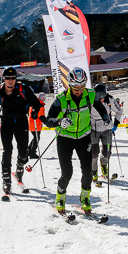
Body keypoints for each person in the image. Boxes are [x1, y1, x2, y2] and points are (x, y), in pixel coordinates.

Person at [41, 67, 110, 214]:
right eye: (75, 88)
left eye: (81, 87)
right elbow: (48, 120)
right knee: (67, 173)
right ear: (69, 85)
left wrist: (105, 117)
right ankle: (60, 197)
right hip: (65, 139)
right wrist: (59, 121)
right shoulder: (61, 99)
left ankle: (85, 197)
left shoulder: (90, 95)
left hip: (84, 138)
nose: (79, 91)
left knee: (88, 172)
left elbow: (100, 107)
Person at [0, 67, 44, 197]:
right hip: (7, 123)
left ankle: (19, 169)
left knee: (23, 153)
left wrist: (35, 111)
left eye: (13, 78)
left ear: (16, 79)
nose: (10, 81)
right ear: (3, 79)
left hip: (22, 122)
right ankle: (6, 180)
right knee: (7, 150)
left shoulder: (24, 89)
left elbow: (37, 103)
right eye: (8, 78)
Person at [90, 84, 121, 184]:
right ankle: (93, 172)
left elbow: (119, 111)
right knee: (94, 152)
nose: (102, 101)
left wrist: (115, 124)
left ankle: (104, 166)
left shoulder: (110, 99)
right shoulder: (90, 100)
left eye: (103, 98)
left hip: (107, 128)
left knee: (107, 151)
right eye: (99, 99)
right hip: (93, 129)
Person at [28, 94, 46, 159]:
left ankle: (29, 150)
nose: (44, 99)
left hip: (32, 123)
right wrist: (47, 123)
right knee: (36, 138)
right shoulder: (40, 106)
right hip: (36, 124)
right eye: (44, 98)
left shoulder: (33, 104)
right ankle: (32, 152)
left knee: (35, 137)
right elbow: (41, 117)